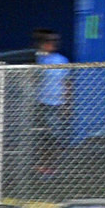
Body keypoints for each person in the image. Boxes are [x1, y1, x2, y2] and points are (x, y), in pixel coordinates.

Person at [34, 28, 71, 177]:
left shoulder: (61, 60)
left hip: (56, 104)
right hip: (40, 103)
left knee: (54, 136)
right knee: (40, 136)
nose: (53, 44)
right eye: (49, 41)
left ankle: (49, 165)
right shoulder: (38, 60)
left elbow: (67, 83)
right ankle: (39, 165)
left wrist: (67, 104)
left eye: (55, 41)